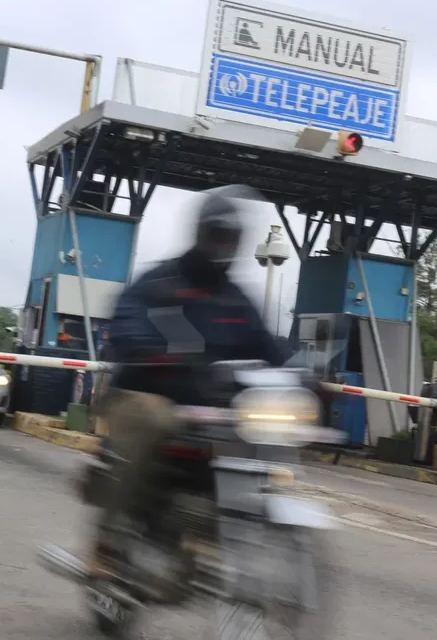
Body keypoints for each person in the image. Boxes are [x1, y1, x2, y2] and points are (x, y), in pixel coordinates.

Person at [88, 184, 292, 576]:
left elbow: (268, 343)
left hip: (207, 406)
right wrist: (155, 351)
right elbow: (126, 321)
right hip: (144, 392)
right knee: (155, 418)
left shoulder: (235, 298)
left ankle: (208, 529)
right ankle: (109, 543)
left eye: (231, 238)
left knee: (257, 432)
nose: (224, 246)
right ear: (200, 234)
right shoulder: (159, 283)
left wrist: (309, 372)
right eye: (218, 235)